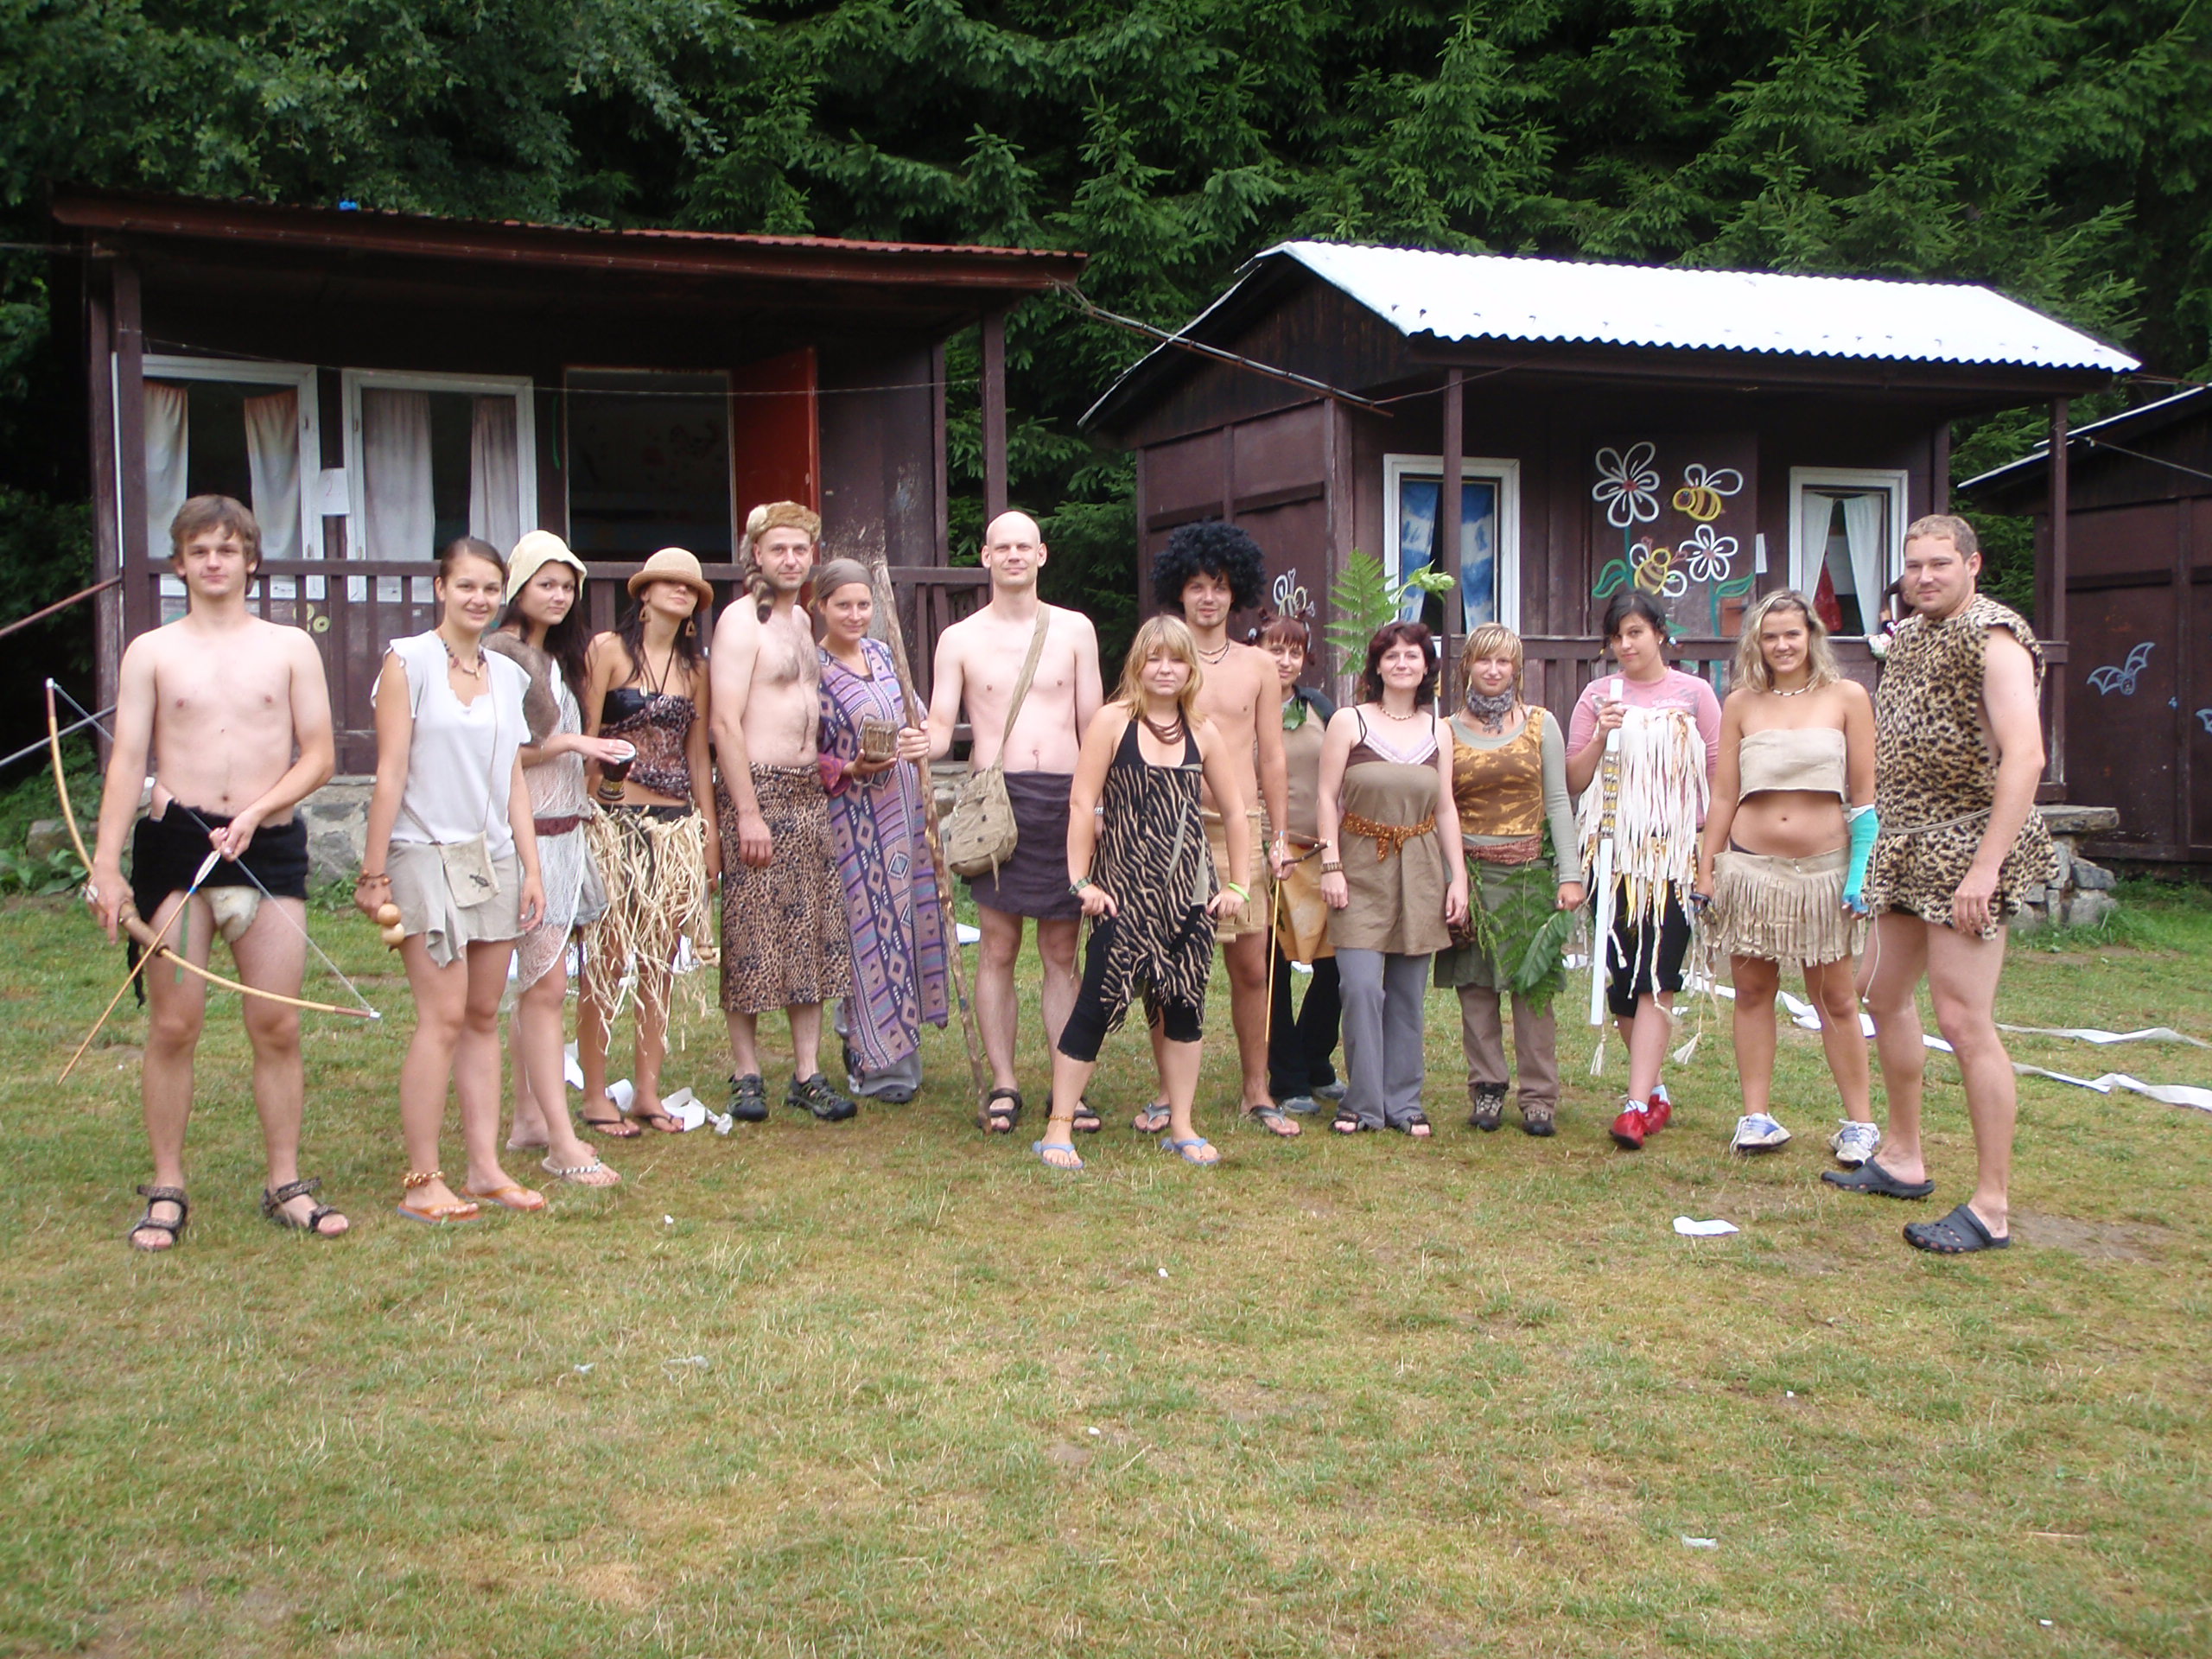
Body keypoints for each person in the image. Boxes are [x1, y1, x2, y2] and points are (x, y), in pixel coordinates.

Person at [87, 494, 347, 1248]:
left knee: (277, 1023)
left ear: (250, 561)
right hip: (177, 847)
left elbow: (321, 756)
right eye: (199, 550)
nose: (213, 562)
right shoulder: (152, 651)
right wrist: (106, 866)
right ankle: (167, 1185)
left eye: (227, 549)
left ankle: (285, 1182)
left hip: (268, 845)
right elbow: (127, 761)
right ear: (179, 564)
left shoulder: (290, 647)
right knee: (175, 1025)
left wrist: (258, 811)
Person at [1824, 515, 2054, 1254]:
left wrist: (1984, 868)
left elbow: (2026, 757)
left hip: (1967, 844)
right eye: (1915, 565)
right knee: (1881, 992)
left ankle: (1992, 1206)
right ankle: (1902, 1156)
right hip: (1904, 844)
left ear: (1972, 565)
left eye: (1940, 564)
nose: (1925, 577)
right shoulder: (1911, 636)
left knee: (1963, 1020)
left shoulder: (1995, 636)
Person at [358, 537, 547, 1223]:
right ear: (441, 587)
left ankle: (485, 1168)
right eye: (466, 585)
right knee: (440, 1016)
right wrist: (373, 871)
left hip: (492, 857)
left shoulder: (510, 676)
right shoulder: (407, 662)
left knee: (482, 1015)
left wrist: (530, 866)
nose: (479, 598)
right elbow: (389, 773)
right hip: (423, 851)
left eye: (491, 588)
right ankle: (422, 1179)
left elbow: (513, 779)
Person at [1033, 618, 1251, 1171]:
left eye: (1176, 659)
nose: (1165, 669)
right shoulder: (1112, 722)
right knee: (1095, 1005)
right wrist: (1081, 880)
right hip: (1122, 895)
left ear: (1190, 669)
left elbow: (1235, 812)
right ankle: (1059, 1125)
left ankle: (1182, 1124)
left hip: (1187, 898)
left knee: (1184, 1008)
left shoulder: (1203, 731)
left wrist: (1238, 884)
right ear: (1137, 664)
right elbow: (1082, 804)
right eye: (1154, 658)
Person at [926, 510, 1103, 1133]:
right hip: (994, 804)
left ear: (1041, 555)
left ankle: (1068, 1084)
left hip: (1064, 800)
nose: (1013, 556)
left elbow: (1094, 726)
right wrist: (914, 741)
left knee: (1061, 949)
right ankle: (1004, 1082)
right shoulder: (959, 639)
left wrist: (1097, 804)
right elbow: (940, 728)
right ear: (985, 557)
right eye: (1002, 547)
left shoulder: (1075, 630)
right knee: (998, 946)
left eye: (1024, 547)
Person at [1696, 591, 1880, 1160]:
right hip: (1751, 869)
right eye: (1770, 636)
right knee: (1753, 991)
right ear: (1756, 642)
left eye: (1791, 634)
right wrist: (1706, 869)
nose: (1781, 645)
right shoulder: (1741, 703)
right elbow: (1723, 795)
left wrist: (1860, 874)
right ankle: (1756, 1116)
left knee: (1837, 997)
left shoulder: (1848, 697)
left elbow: (1865, 799)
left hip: (1826, 872)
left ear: (1811, 636)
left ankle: (1860, 1124)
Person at [1147, 523, 1296, 1136]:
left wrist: (1279, 836)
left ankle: (1256, 1089)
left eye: (1219, 586)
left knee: (1252, 967)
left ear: (1236, 594)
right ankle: (1166, 1091)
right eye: (1196, 586)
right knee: (1169, 966)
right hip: (1168, 828)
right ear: (1178, 593)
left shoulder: (1259, 664)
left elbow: (1272, 756)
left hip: (1240, 831)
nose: (1208, 598)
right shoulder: (1158, 660)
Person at [710, 504, 856, 1122]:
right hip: (759, 789)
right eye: (779, 550)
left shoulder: (801, 620)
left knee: (810, 931)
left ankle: (806, 1073)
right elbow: (724, 721)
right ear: (757, 555)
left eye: (801, 549)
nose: (791, 560)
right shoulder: (741, 620)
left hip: (806, 791)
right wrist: (747, 812)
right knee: (750, 933)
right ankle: (747, 1073)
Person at [487, 531, 625, 1187]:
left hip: (566, 833)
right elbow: (498, 751)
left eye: (568, 586)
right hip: (528, 838)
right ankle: (563, 1142)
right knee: (544, 989)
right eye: (546, 584)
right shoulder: (499, 655)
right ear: (518, 587)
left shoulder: (555, 660)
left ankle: (529, 1119)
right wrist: (573, 743)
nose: (559, 595)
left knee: (542, 987)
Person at [1567, 592, 1721, 1151]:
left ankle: (1634, 1107)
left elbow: (1718, 776)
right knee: (1622, 982)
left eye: (1635, 632)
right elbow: (1573, 780)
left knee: (1659, 975)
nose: (1626, 645)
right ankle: (1654, 1090)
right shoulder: (1597, 696)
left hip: (1671, 859)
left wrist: (1708, 857)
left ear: (1659, 633)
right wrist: (1602, 736)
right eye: (1617, 636)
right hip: (1611, 860)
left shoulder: (1695, 695)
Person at [576, 546, 720, 1136]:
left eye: (691, 587)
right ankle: (593, 1094)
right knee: (606, 960)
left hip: (674, 825)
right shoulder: (608, 650)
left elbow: (697, 755)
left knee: (659, 961)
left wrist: (708, 835)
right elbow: (587, 737)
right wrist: (585, 814)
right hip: (613, 821)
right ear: (645, 593)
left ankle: (648, 1091)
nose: (681, 591)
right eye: (669, 583)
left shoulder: (695, 670)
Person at [1316, 621, 1468, 1135]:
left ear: (1427, 667)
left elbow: (1445, 807)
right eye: (1391, 655)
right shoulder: (1349, 721)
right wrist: (1331, 865)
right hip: (1359, 865)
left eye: (1412, 655)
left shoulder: (1438, 730)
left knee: (1406, 993)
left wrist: (1457, 878)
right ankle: (1361, 1102)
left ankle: (1404, 1102)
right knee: (1360, 987)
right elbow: (1326, 797)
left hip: (1420, 867)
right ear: (1377, 666)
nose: (1402, 663)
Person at [1435, 625, 1584, 1136]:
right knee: (1475, 988)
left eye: (1504, 662)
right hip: (1471, 875)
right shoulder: (1447, 731)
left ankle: (1539, 1095)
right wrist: (1452, 877)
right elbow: (1441, 806)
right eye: (1484, 661)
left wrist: (1569, 874)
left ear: (1517, 669)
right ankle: (1487, 1087)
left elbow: (1558, 799)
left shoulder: (1541, 724)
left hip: (1529, 876)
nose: (1494, 670)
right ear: (1467, 667)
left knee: (1532, 985)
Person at [813, 557, 949, 1103]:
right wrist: (847, 767)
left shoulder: (884, 656)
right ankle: (871, 1059)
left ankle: (903, 1053)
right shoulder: (814, 670)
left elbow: (918, 718)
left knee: (907, 927)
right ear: (821, 606)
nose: (855, 614)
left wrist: (920, 739)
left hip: (906, 815)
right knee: (870, 933)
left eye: (863, 604)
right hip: (855, 821)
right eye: (842, 605)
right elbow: (802, 748)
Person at [1257, 615, 1343, 1116]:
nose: (1284, 660)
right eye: (1275, 649)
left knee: (1337, 964)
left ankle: (1316, 1058)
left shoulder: (1320, 708)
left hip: (1321, 852)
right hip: (1268, 856)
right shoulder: (1243, 707)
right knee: (1274, 969)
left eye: (1294, 651)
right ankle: (1286, 1075)